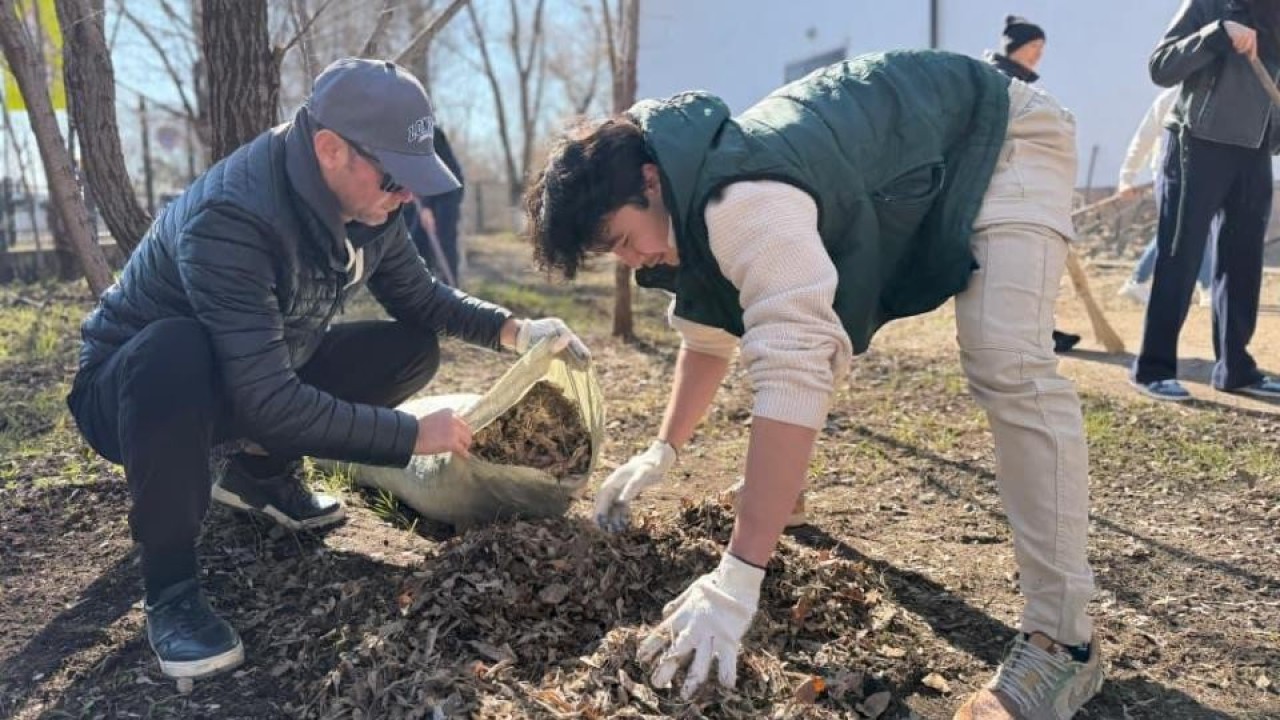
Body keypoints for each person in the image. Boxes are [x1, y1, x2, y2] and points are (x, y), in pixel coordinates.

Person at [527, 49, 1102, 718]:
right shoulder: (689, 200)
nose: (634, 261)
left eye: (626, 240)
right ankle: (784, 494)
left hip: (1000, 136)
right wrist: (664, 451)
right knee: (794, 332)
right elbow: (708, 337)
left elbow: (797, 366)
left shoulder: (740, 201)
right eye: (616, 255)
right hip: (923, 159)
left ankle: (1064, 642)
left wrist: (739, 577)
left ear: (651, 180)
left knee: (1007, 362)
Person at [65, 58, 588, 681]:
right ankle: (172, 590)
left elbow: (420, 298)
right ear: (331, 149)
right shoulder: (233, 219)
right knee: (174, 349)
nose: (407, 195)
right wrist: (412, 437)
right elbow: (266, 398)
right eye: (396, 177)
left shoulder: (371, 208)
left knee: (411, 347)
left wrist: (516, 331)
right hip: (132, 393)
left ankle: (258, 474)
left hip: (246, 372)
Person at [1131, 0, 1280, 401]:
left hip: (1254, 150)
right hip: (1196, 144)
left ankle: (1236, 369)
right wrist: (1217, 33)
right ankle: (1153, 368)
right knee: (1180, 258)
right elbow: (1160, 66)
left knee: (1243, 262)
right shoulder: (1210, 4)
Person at [984, 15, 1082, 355]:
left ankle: (1040, 332)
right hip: (1001, 189)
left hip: (1022, 188)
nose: (1038, 54)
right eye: (1033, 47)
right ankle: (1028, 335)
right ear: (1015, 47)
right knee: (1013, 268)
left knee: (1028, 267)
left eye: (1042, 48)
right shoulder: (997, 80)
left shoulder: (1017, 82)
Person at [1115, 87, 1216, 308]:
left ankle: (1138, 280)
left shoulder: (1218, 91)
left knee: (1181, 229)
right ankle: (1207, 286)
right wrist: (1127, 178)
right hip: (1169, 175)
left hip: (1202, 175)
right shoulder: (1169, 97)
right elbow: (1144, 137)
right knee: (1191, 227)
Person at [403, 127, 466, 284]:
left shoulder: (425, 132)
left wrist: (426, 207)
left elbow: (431, 170)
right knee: (417, 242)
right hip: (425, 195)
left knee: (443, 244)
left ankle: (451, 289)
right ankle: (428, 289)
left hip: (446, 193)